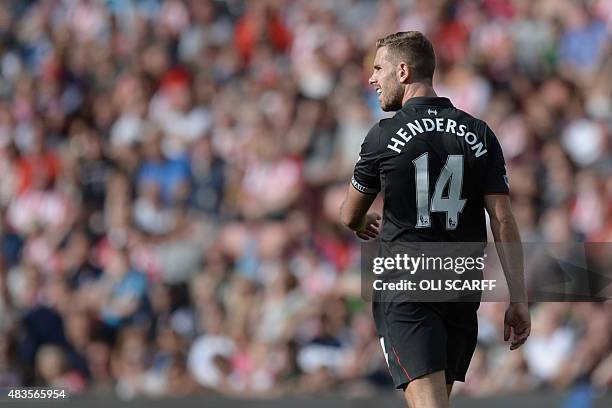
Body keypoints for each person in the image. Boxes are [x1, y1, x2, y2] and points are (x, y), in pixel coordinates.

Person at [339, 31, 531, 408]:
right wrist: (519, 296)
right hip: (460, 284)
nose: (372, 79)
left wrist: (360, 225)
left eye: (378, 69)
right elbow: (503, 220)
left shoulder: (383, 135)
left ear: (403, 71)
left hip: (408, 284)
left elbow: (349, 214)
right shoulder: (479, 133)